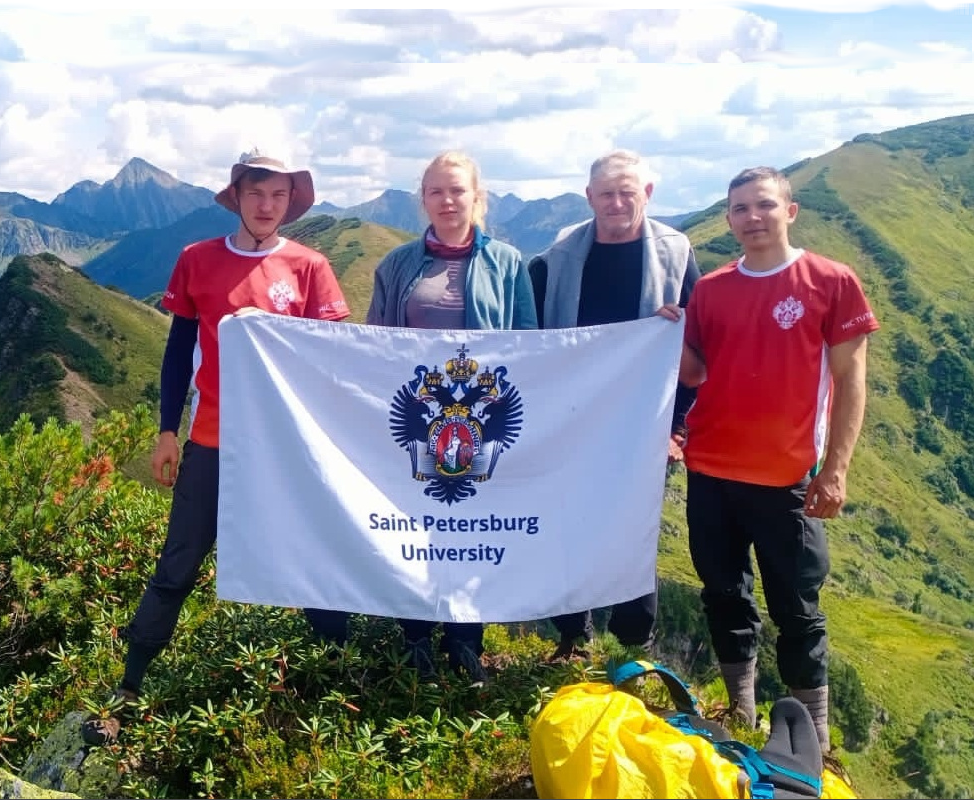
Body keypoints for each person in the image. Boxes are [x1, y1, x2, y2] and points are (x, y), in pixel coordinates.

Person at [81, 149, 352, 746]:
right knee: (178, 564)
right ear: (238, 195)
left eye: (278, 196)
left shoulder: (310, 268)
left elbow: (330, 363)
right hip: (210, 440)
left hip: (284, 453)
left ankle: (341, 679)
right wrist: (166, 430)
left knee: (308, 562)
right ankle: (131, 683)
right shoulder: (197, 260)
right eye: (257, 192)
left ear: (290, 202)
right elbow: (179, 353)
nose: (266, 205)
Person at [678, 166, 879, 751]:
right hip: (710, 468)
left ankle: (811, 732)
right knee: (723, 593)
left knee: (796, 605)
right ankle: (740, 708)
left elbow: (851, 379)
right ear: (729, 218)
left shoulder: (831, 281)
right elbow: (692, 371)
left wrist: (835, 469)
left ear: (790, 211)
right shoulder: (710, 289)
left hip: (787, 477)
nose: (751, 218)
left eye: (764, 205)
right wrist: (663, 334)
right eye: (739, 208)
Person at [361, 149, 538, 686]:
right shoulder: (396, 265)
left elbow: (532, 346)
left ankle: (466, 643)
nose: (447, 200)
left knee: (470, 527)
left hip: (481, 425)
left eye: (457, 190)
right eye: (436, 191)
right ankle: (414, 639)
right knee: (415, 525)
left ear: (476, 197)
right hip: (418, 422)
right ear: (423, 200)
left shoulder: (508, 264)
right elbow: (370, 344)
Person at [527, 149, 699, 662]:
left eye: (628, 191)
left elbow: (697, 343)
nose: (617, 202)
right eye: (606, 193)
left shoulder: (676, 253)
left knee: (633, 532)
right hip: (571, 424)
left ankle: (633, 648)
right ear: (589, 198)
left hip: (644, 425)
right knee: (567, 525)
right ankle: (571, 637)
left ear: (647, 193)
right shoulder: (557, 258)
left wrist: (678, 428)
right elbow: (530, 341)